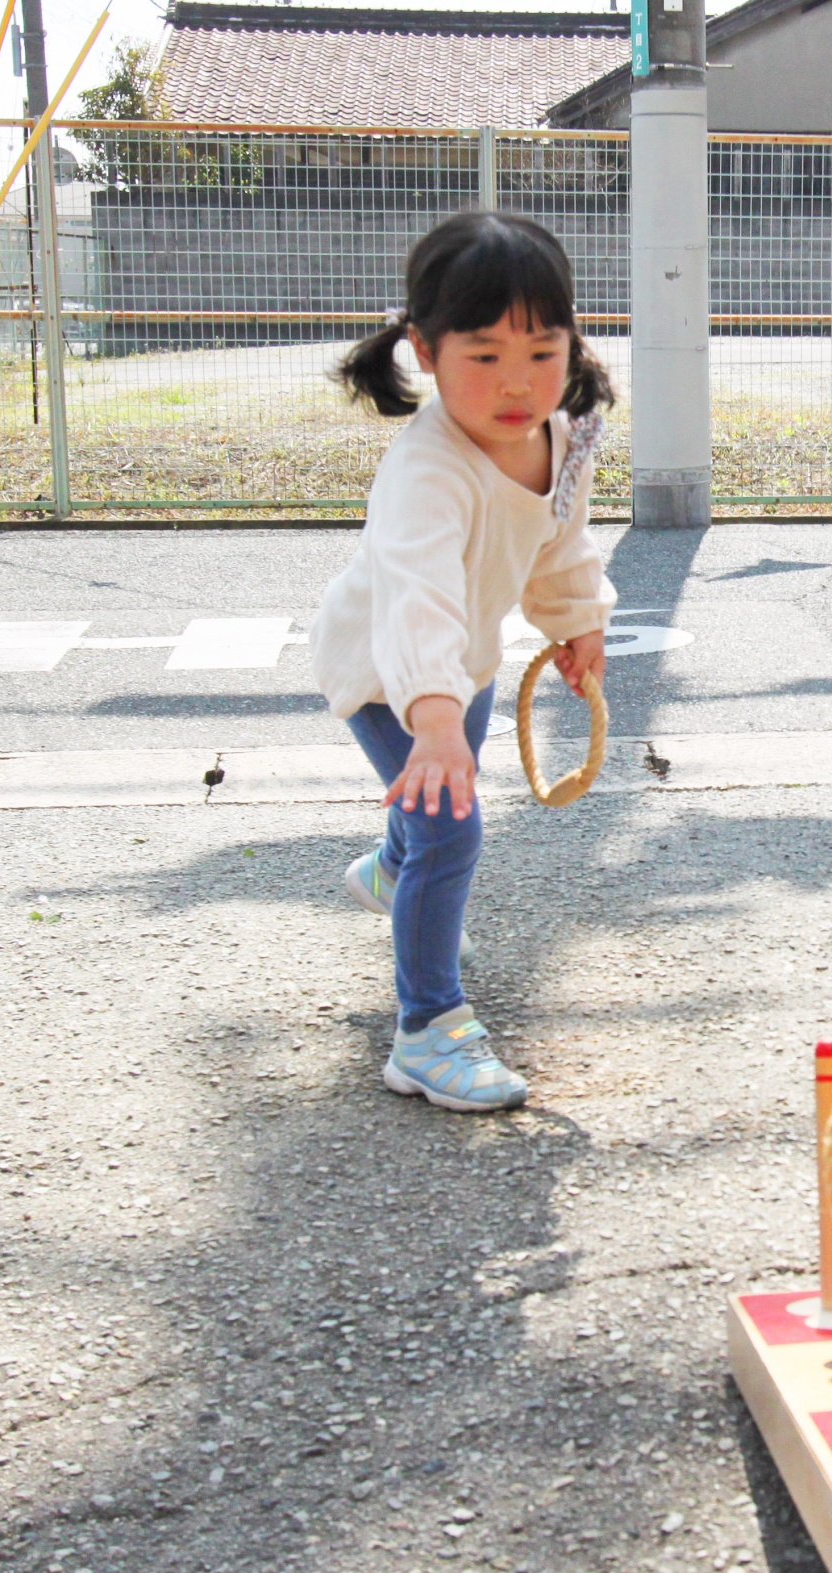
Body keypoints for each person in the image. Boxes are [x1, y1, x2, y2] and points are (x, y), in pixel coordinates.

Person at [311, 211, 615, 1112]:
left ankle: (394, 874)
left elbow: (560, 538)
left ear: (572, 343)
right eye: (482, 356)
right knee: (455, 827)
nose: (516, 384)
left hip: (464, 661)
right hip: (387, 670)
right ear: (424, 352)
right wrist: (435, 721)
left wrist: (575, 619)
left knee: (431, 828)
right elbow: (418, 599)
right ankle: (428, 1031)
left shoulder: (567, 433)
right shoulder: (427, 473)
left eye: (540, 352)